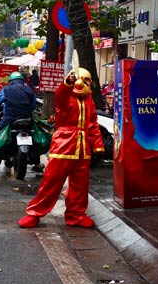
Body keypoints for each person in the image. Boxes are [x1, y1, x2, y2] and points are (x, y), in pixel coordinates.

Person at [18, 68, 103, 228]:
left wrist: (97, 145)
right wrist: (67, 83)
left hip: (82, 148)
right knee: (51, 182)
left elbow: (92, 124)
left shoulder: (89, 101)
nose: (82, 83)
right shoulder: (66, 98)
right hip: (63, 145)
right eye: (80, 79)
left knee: (80, 185)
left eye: (87, 81)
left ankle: (76, 215)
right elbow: (60, 95)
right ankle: (34, 213)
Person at [0, 71, 37, 173]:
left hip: (10, 119)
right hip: (27, 119)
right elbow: (33, 105)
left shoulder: (6, 90)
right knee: (35, 137)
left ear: (10, 81)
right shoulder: (30, 90)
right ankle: (37, 163)